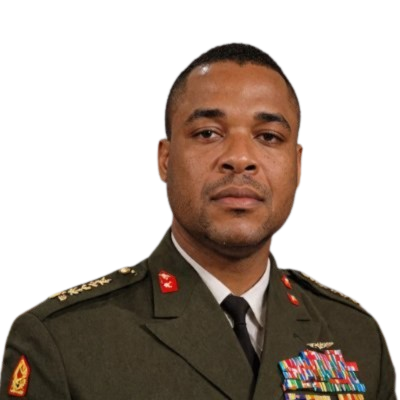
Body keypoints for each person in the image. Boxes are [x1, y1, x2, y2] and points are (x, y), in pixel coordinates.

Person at [0, 43, 396, 400]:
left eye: (269, 137)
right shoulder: (62, 341)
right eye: (208, 133)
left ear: (298, 167)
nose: (240, 158)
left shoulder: (357, 337)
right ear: (164, 160)